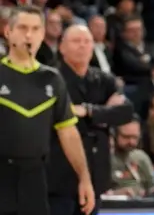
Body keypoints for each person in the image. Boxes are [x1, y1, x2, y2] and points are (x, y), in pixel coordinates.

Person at [0, 6, 95, 215]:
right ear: (8, 32)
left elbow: (68, 132)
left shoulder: (53, 79)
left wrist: (84, 178)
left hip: (36, 177)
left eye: (35, 29)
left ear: (43, 34)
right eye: (23, 28)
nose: (29, 35)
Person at [50, 24, 126, 211]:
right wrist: (105, 112)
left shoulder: (104, 79)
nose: (82, 45)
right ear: (62, 47)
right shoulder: (52, 79)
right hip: (60, 174)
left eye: (87, 41)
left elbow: (125, 112)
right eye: (76, 41)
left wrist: (89, 111)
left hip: (96, 171)